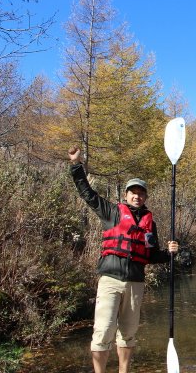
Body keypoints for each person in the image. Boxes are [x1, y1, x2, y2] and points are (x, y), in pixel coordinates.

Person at [67, 146, 178, 373]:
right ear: (126, 195)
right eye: (133, 192)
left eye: (141, 192)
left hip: (135, 282)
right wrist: (76, 166)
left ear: (145, 196)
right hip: (110, 279)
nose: (137, 195)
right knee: (103, 331)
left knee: (128, 332)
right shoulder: (112, 212)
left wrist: (170, 254)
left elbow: (150, 255)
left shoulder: (149, 222)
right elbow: (87, 194)